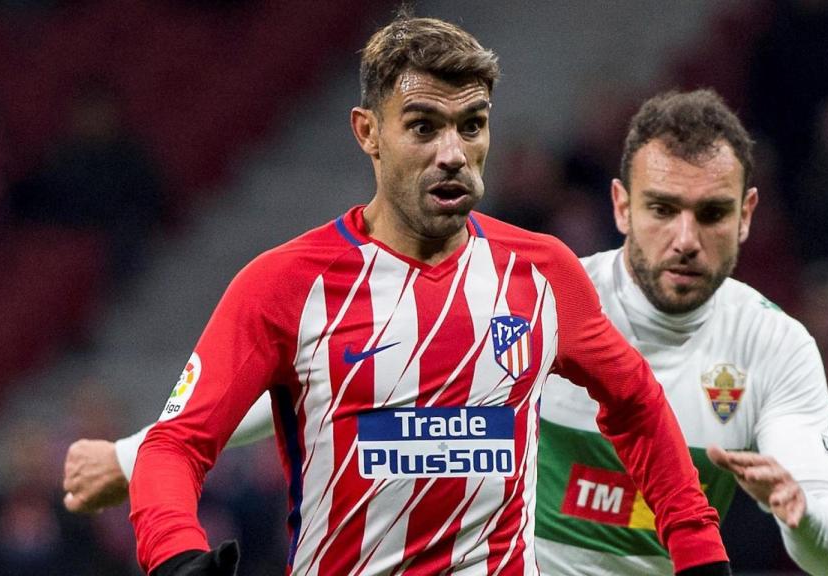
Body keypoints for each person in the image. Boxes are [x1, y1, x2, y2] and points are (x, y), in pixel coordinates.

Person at [106, 13, 730, 576]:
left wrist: (697, 546)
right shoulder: (284, 286)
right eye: (424, 126)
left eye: (472, 125)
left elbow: (636, 403)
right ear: (368, 133)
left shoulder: (541, 273)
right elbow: (173, 445)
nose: (454, 153)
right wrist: (177, 555)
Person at [533, 90, 828, 575]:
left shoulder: (774, 345)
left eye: (711, 214)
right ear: (622, 207)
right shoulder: (542, 306)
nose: (686, 241)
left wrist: (802, 515)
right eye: (663, 210)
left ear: (745, 215)